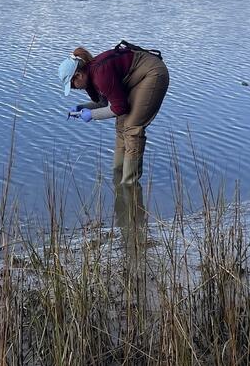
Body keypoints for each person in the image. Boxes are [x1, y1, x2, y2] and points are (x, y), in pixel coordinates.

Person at [58, 41, 170, 233]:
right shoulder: (91, 78)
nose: (74, 88)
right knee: (121, 125)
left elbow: (119, 107)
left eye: (73, 84)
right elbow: (105, 103)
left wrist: (91, 115)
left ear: (79, 74)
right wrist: (83, 108)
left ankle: (129, 183)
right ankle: (119, 174)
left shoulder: (100, 74)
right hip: (137, 78)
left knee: (132, 126)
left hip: (152, 74)